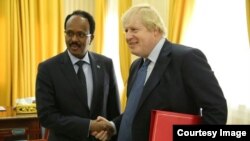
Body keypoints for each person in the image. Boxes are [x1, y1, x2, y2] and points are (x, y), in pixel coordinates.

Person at [93, 4, 228, 141]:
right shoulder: (136, 66)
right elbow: (135, 113)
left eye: (134, 29)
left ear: (155, 30)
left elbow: (216, 111)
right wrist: (113, 126)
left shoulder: (187, 58)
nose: (127, 36)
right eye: (126, 30)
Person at [35, 10, 120, 141]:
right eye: (69, 33)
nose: (74, 39)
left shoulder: (106, 64)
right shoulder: (48, 69)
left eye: (80, 34)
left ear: (91, 38)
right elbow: (47, 117)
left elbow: (114, 112)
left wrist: (110, 131)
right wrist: (89, 126)